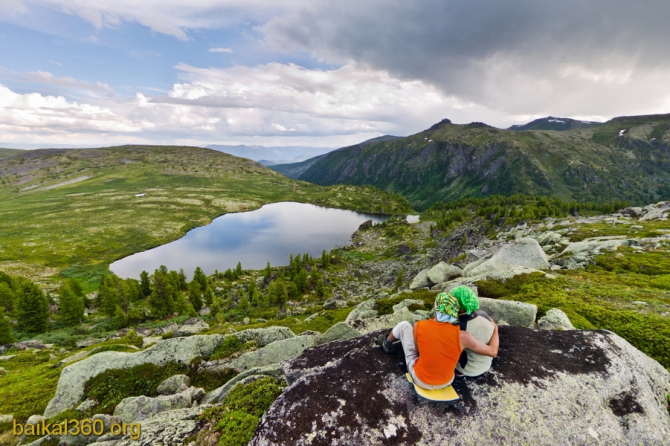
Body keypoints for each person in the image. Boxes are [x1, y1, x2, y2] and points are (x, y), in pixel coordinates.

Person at [378, 292, 498, 390]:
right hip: (447, 381)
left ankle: (386, 343)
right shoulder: (463, 336)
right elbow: (493, 352)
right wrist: (495, 329)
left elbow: (418, 351)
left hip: (421, 380)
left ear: (436, 308)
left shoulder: (419, 325)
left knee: (404, 325)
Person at [450, 285, 498, 377]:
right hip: (486, 365)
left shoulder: (458, 328)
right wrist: (496, 329)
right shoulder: (484, 315)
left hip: (468, 370)